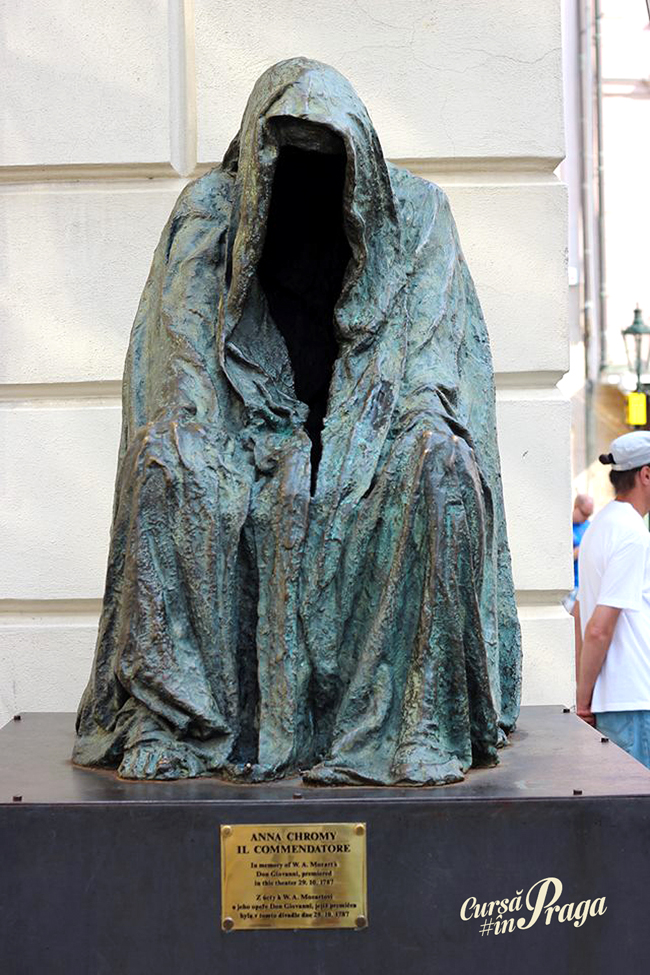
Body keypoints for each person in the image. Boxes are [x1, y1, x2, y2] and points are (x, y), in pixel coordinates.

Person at [73, 58, 521, 784]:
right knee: (168, 458)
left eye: (328, 158)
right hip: (243, 432)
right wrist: (240, 444)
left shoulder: (419, 215)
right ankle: (181, 717)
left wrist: (358, 456)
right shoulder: (209, 211)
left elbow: (433, 370)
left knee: (441, 464)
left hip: (375, 437)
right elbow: (185, 360)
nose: (309, 181)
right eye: (289, 156)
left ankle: (414, 722)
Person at [575, 431, 650, 768]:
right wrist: (583, 700)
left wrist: (584, 692)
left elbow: (580, 614)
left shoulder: (599, 526)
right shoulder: (632, 534)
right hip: (633, 700)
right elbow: (598, 628)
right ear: (645, 474)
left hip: (615, 702)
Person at [563, 492, 594, 614]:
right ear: (575, 507)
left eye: (589, 515)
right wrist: (580, 550)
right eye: (584, 514)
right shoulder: (565, 526)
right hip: (570, 586)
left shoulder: (589, 527)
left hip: (585, 585)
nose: (586, 518)